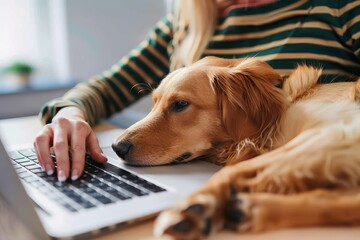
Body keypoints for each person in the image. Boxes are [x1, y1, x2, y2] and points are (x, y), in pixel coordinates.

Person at [34, 0, 360, 182]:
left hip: (308, 174)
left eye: (178, 106)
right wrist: (69, 114)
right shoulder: (185, 23)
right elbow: (104, 88)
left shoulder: (337, 7)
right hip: (197, 179)